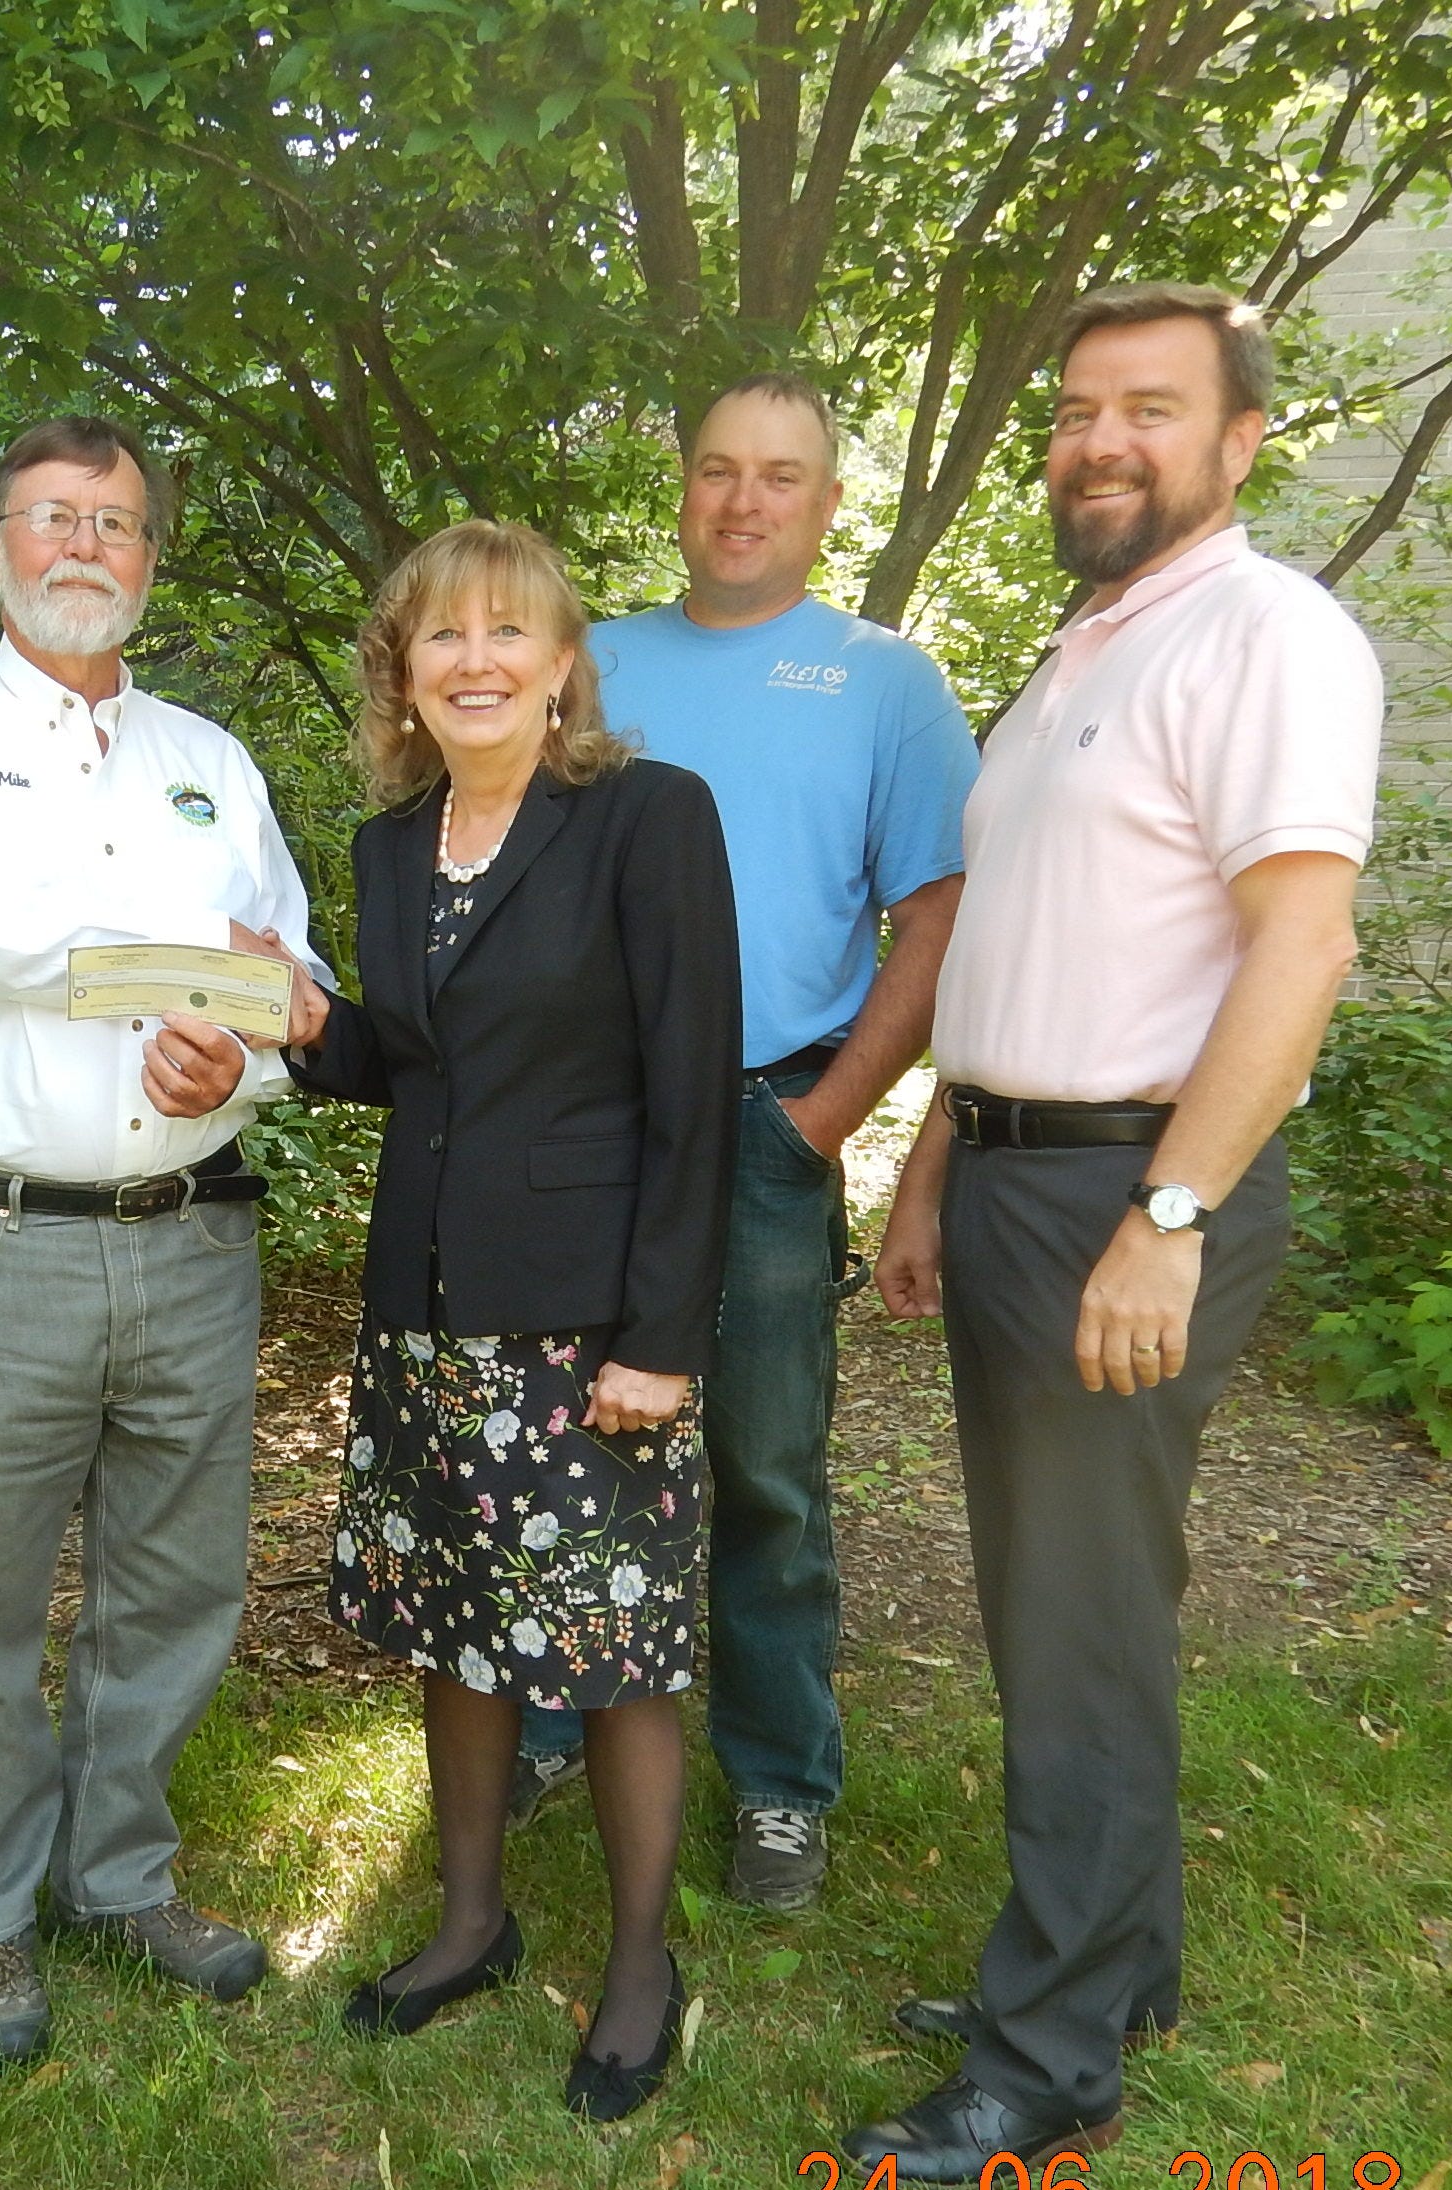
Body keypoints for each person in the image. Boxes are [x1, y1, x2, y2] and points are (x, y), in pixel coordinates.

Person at [841, 285, 1381, 2182]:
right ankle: (1116, 1962)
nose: (1099, 440)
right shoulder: (1087, 648)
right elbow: (1008, 946)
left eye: (1150, 408)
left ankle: (1046, 2059)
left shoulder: (1266, 634)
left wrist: (1169, 1211)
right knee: (1082, 1605)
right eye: (1078, 410)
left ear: (1239, 443)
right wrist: (925, 1171)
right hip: (1016, 1178)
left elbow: (1297, 945)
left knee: (1069, 1624)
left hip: (1123, 1194)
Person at [0, 416, 324, 2063]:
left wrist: (237, 1050)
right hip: (0, 1245)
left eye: (116, 525)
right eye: (53, 517)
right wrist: (181, 975)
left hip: (193, 1237)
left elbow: (287, 975)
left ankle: (120, 1876)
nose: (83, 547)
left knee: (174, 1586)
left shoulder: (212, 759)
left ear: (149, 561)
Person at [282, 519, 741, 2122]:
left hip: (589, 1327)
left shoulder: (644, 820)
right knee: (456, 1628)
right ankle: (469, 1921)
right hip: (425, 1314)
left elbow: (694, 1091)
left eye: (508, 633)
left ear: (561, 666)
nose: (474, 661)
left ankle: (636, 1965)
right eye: (440, 638)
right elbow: (415, 1067)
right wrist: (306, 1023)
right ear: (401, 676)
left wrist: (663, 1338)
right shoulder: (391, 848)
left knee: (615, 1653)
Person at [508, 372, 975, 1912]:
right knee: (577, 1442)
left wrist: (826, 1116)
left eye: (783, 476)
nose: (745, 501)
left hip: (773, 1120)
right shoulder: (597, 665)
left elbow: (938, 919)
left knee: (766, 1467)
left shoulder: (885, 682)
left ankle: (779, 1781)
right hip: (593, 1125)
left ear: (829, 504)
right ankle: (564, 1715)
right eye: (719, 469)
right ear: (685, 484)